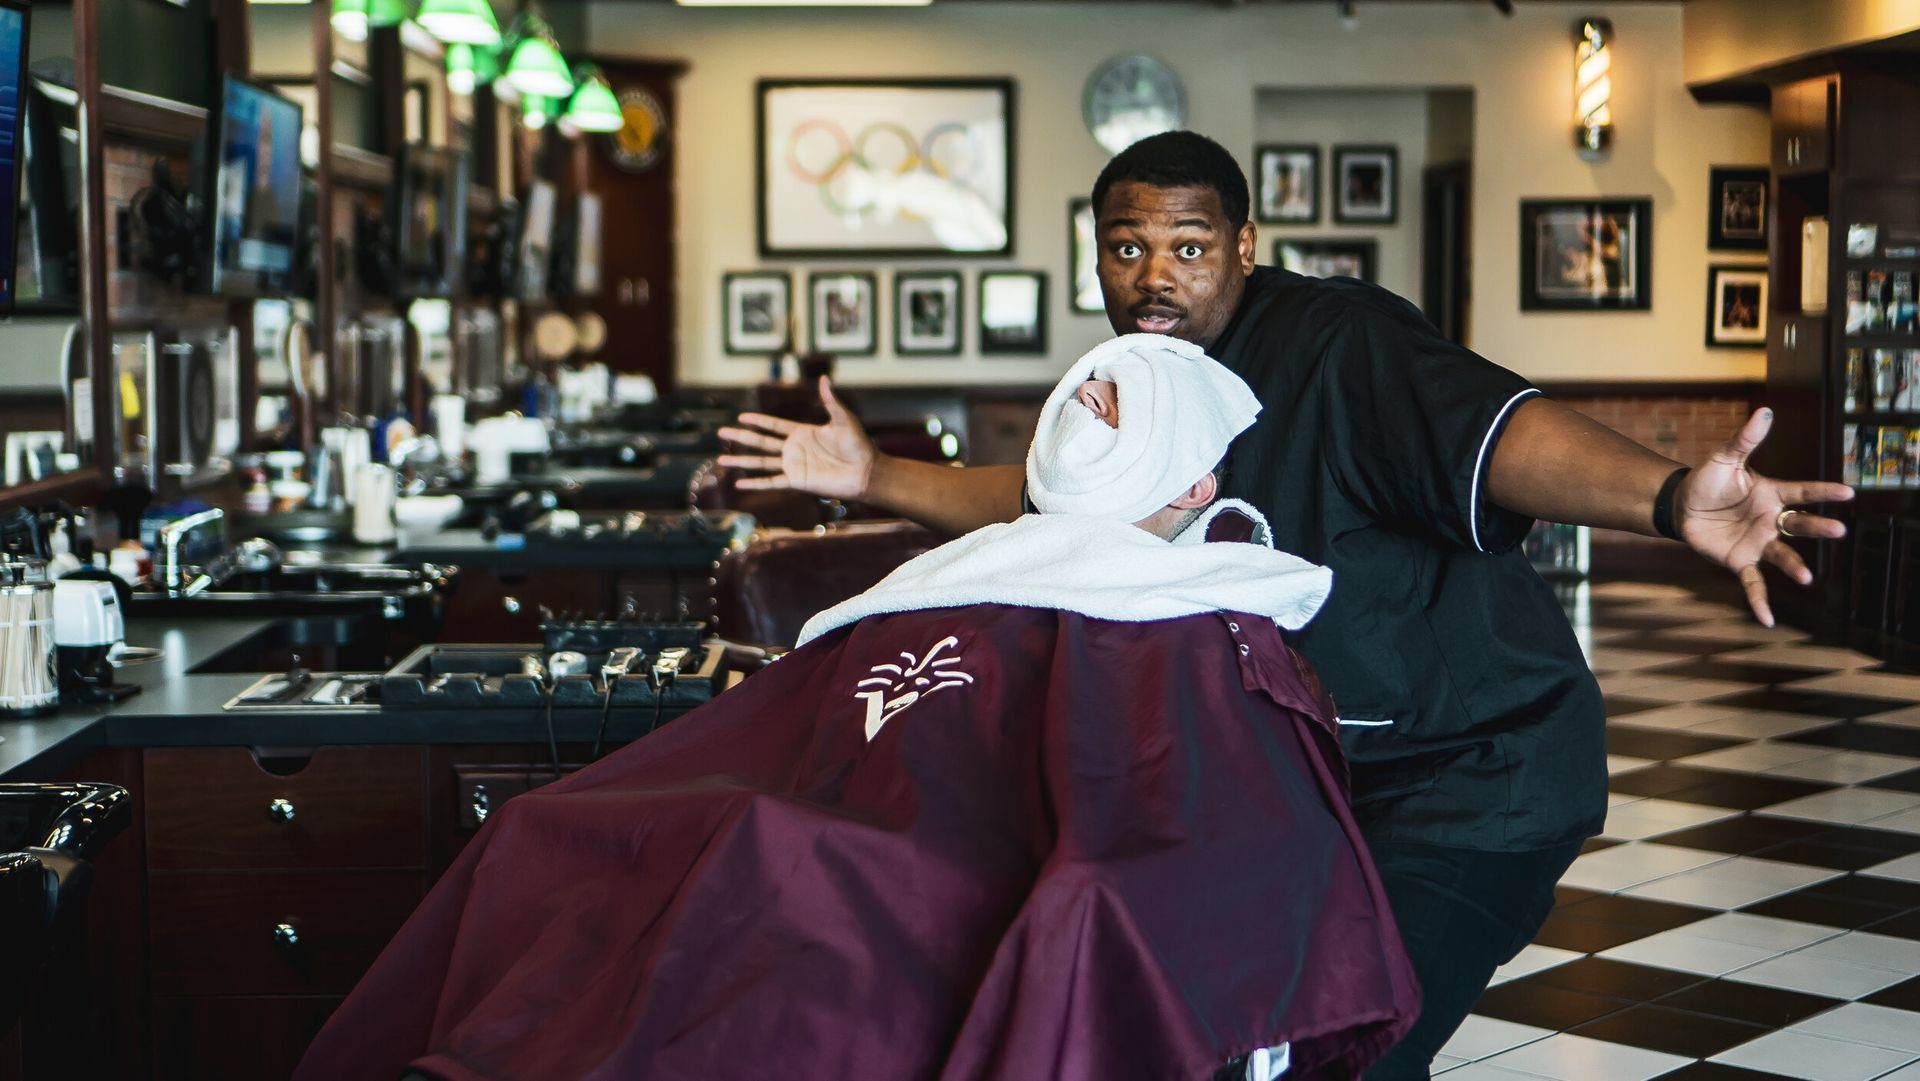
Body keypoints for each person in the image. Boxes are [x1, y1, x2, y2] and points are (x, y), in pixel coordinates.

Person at [717, 130, 1854, 1078]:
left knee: (1347, 1041)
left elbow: (1495, 433)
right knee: (1211, 1031)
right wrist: (872, 479)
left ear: (1245, 248)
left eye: (1190, 247)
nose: (1155, 276)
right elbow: (1033, 496)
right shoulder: (1146, 384)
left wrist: (1666, 499)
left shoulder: (1338, 343)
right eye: (1128, 248)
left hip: (1474, 775)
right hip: (1310, 780)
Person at [294, 336, 1419, 1081]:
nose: (1093, 389)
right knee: (554, 835)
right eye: (1087, 379)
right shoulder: (979, 566)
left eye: (1128, 395)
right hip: (815, 800)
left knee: (788, 867)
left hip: (927, 865)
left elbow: (1207, 827)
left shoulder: (1206, 608)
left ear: (1193, 485)